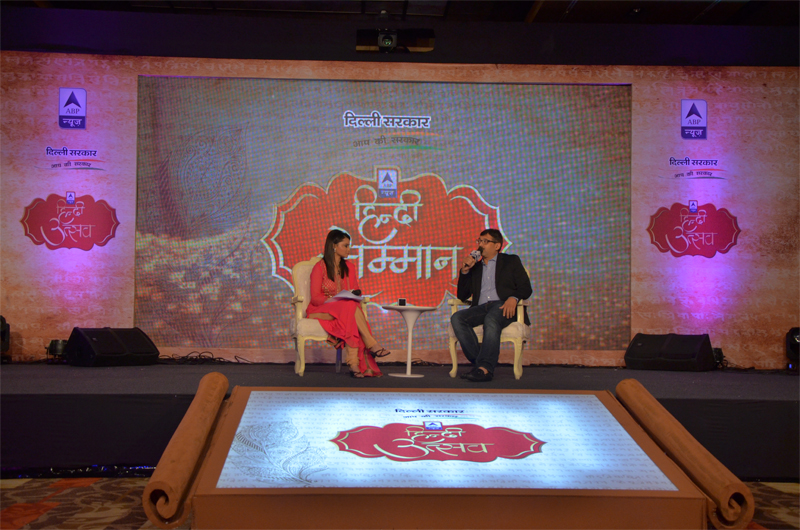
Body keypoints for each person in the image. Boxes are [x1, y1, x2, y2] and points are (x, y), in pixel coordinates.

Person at [451, 228, 532, 382]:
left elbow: (526, 288)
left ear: (497, 245)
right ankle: (482, 366)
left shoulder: (510, 261)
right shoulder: (476, 267)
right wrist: (465, 271)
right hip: (481, 308)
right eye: (479, 241)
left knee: (491, 318)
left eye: (485, 241)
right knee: (457, 318)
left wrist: (513, 298)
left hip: (503, 306)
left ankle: (483, 369)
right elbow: (462, 296)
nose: (480, 245)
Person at [306, 229, 389, 377]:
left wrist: (353, 293)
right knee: (349, 307)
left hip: (344, 311)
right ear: (334, 246)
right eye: (345, 245)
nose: (348, 249)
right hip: (321, 311)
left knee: (349, 307)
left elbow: (356, 290)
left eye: (349, 245)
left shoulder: (350, 267)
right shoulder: (319, 267)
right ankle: (370, 345)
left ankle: (353, 363)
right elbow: (315, 298)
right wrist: (334, 299)